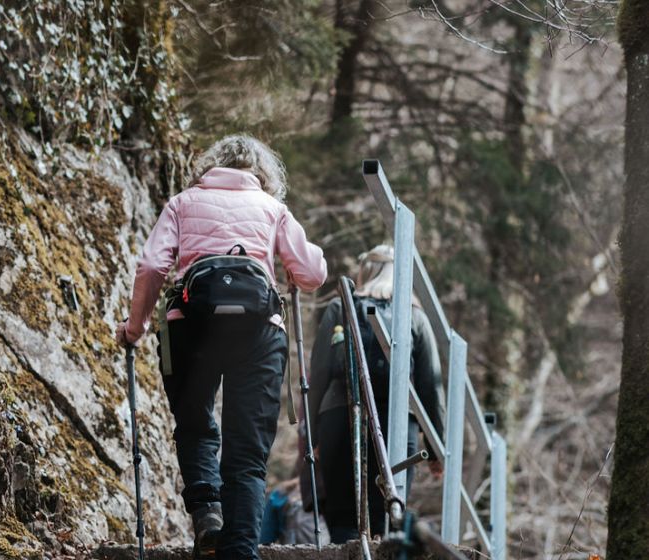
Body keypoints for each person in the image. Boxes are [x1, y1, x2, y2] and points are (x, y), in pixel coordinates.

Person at [114, 134, 327, 559]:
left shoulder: (182, 202)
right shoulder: (273, 209)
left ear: (210, 167)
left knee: (195, 427)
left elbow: (154, 264)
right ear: (262, 174)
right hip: (259, 333)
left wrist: (134, 327)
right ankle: (241, 550)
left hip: (190, 327)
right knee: (247, 452)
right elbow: (312, 274)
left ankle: (208, 515)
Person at [307, 244, 445, 543]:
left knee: (344, 513)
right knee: (389, 513)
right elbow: (430, 386)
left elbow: (318, 373)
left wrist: (311, 434)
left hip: (340, 416)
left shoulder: (341, 307)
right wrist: (436, 450)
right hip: (398, 423)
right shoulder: (414, 317)